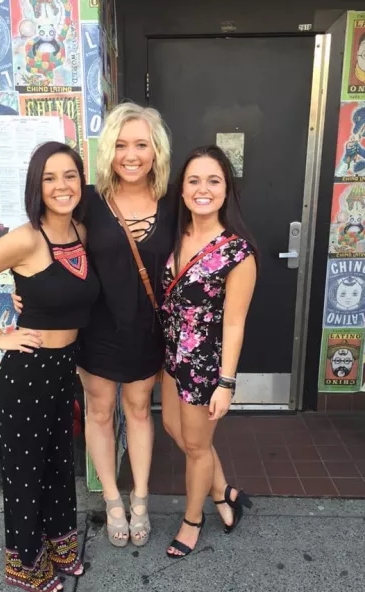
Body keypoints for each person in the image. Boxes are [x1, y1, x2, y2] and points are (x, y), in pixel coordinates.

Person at [14, 102, 173, 548]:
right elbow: (44, 241)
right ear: (108, 151)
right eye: (120, 145)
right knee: (100, 412)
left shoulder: (173, 201)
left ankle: (140, 498)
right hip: (96, 327)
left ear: (156, 150)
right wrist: (24, 290)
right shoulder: (88, 199)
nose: (131, 155)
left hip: (147, 330)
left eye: (141, 144)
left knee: (139, 411)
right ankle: (113, 501)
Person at [0, 142, 100, 592]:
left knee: (58, 462)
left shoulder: (81, 231)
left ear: (81, 181)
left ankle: (59, 545)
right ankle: (24, 563)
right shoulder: (26, 238)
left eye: (69, 175)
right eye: (49, 178)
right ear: (37, 186)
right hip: (28, 371)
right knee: (26, 469)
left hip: (63, 367)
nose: (61, 186)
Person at [161, 145, 257, 558]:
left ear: (226, 189)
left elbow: (234, 324)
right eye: (194, 181)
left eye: (213, 181)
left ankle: (192, 520)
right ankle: (223, 491)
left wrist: (226, 383)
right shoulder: (175, 235)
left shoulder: (237, 253)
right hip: (171, 356)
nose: (203, 189)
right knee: (174, 428)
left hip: (205, 366)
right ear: (182, 190)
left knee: (197, 447)